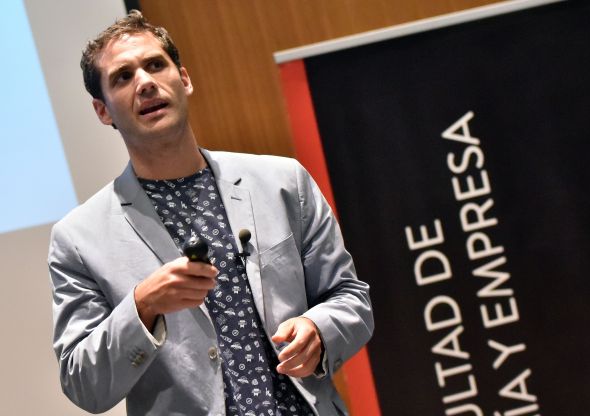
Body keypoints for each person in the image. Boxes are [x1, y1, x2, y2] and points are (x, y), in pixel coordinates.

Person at [48, 10, 373, 416]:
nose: (145, 82)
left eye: (155, 65)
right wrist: (142, 306)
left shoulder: (282, 182)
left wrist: (319, 329)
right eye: (123, 77)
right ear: (103, 111)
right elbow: (83, 385)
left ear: (183, 79)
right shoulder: (78, 239)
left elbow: (351, 299)